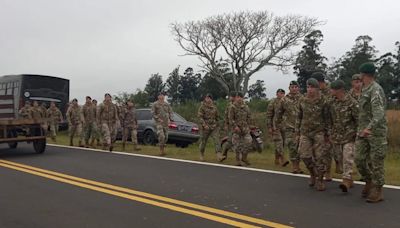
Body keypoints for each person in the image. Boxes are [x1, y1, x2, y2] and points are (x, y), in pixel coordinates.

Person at [355, 62, 388, 203]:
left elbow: (379, 113)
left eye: (360, 74)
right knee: (359, 159)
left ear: (364, 74)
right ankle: (369, 181)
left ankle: (378, 190)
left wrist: (369, 128)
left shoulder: (375, 89)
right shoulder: (363, 88)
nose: (359, 77)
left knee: (376, 161)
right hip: (362, 131)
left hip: (375, 132)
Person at [296, 78, 330, 191]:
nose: (310, 90)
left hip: (319, 132)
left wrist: (327, 134)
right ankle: (312, 173)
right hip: (305, 132)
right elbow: (299, 117)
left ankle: (320, 180)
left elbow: (327, 118)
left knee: (320, 157)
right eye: (308, 87)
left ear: (317, 88)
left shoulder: (323, 101)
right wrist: (297, 132)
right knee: (304, 155)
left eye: (312, 87)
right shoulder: (302, 100)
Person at [328, 80, 359, 192]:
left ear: (339, 90)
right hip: (336, 136)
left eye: (332, 89)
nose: (330, 91)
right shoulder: (332, 102)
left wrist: (358, 134)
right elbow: (330, 119)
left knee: (347, 157)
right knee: (339, 158)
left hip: (350, 135)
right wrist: (330, 133)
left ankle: (346, 180)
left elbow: (358, 119)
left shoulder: (352, 103)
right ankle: (349, 179)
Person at [311, 72, 337, 181]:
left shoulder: (330, 92)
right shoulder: (313, 92)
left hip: (329, 124)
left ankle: (328, 172)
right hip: (315, 125)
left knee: (327, 150)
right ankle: (317, 172)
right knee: (315, 150)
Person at [276, 81, 304, 173]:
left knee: (301, 147)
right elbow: (279, 113)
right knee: (292, 146)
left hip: (302, 127)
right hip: (289, 127)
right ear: (289, 88)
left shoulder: (303, 98)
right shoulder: (284, 100)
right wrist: (277, 125)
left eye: (296, 87)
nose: (294, 89)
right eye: (292, 87)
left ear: (298, 88)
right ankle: (295, 166)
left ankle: (299, 165)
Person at [229, 92, 253, 166]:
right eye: (238, 97)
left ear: (242, 98)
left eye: (241, 97)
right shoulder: (233, 107)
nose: (239, 98)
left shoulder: (246, 107)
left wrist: (249, 126)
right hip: (236, 129)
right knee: (237, 145)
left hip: (245, 129)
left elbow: (249, 117)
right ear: (236, 98)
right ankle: (237, 160)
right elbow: (230, 118)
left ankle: (244, 157)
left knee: (248, 142)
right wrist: (235, 126)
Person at [267, 88, 289, 166]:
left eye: (283, 93)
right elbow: (269, 115)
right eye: (280, 93)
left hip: (284, 125)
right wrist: (269, 127)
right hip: (275, 125)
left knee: (282, 144)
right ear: (277, 94)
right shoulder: (272, 102)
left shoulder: (286, 102)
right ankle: (283, 159)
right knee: (279, 142)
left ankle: (277, 159)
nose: (281, 95)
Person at [198, 93, 221, 161]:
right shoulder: (202, 107)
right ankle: (201, 154)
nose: (208, 99)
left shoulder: (214, 107)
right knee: (203, 141)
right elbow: (200, 117)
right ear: (205, 99)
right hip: (205, 127)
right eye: (207, 98)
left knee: (217, 140)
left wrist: (217, 124)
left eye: (210, 98)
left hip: (214, 127)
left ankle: (219, 155)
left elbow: (217, 117)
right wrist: (204, 125)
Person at [151, 92, 173, 156]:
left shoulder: (167, 104)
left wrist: (170, 119)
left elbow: (170, 112)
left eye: (163, 95)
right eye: (160, 95)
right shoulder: (155, 104)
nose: (162, 97)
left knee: (166, 137)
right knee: (161, 136)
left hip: (166, 123)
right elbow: (153, 113)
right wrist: (158, 118)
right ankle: (161, 151)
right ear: (158, 97)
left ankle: (162, 147)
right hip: (159, 123)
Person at [220, 92, 236, 162]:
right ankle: (224, 154)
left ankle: (241, 157)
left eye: (231, 97)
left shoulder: (238, 105)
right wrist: (226, 124)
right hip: (231, 126)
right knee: (230, 141)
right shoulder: (229, 105)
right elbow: (226, 116)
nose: (230, 98)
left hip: (239, 125)